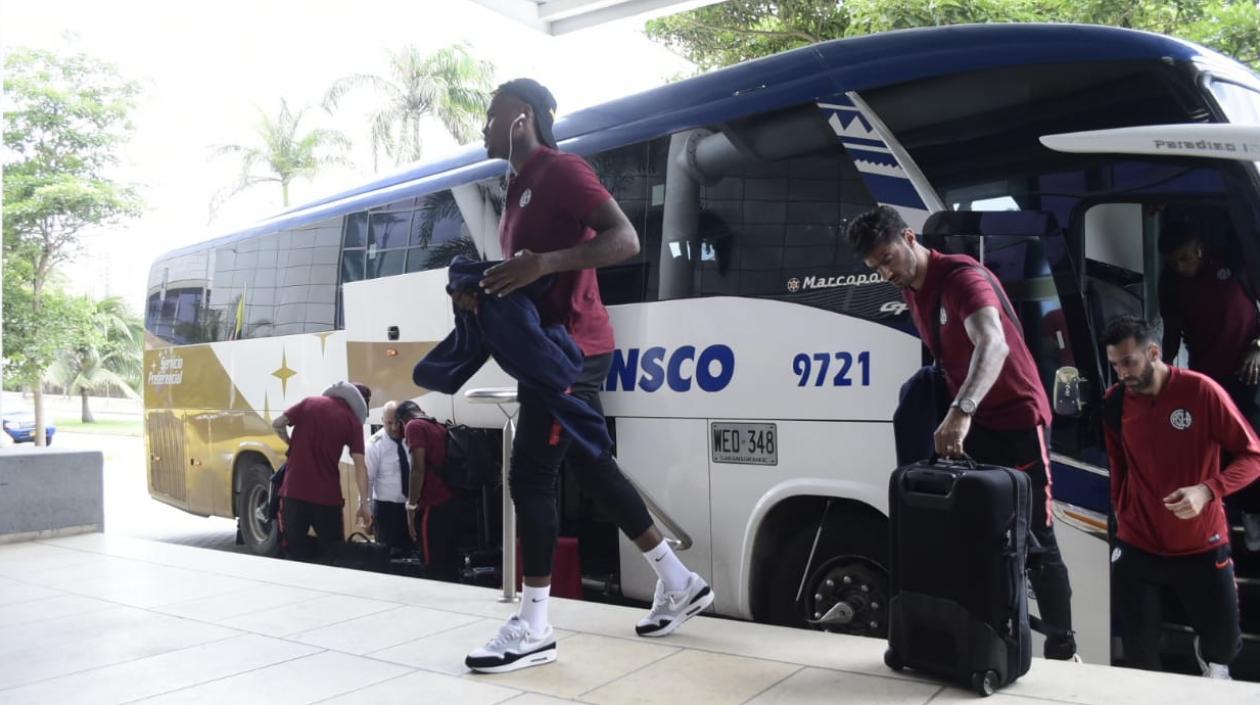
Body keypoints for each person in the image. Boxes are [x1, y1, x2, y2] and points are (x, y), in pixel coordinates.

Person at [459, 78, 711, 674]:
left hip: (571, 351)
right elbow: (532, 277)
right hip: (550, 350)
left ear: (521, 118)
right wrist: (490, 288)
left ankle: (535, 627)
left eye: (491, 116)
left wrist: (543, 263)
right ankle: (679, 580)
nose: (483, 128)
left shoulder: (561, 170)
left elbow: (623, 239)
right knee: (591, 465)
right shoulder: (517, 187)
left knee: (531, 473)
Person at [847, 205, 1079, 661]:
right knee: (978, 536)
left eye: (888, 257)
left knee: (1036, 539)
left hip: (1017, 421)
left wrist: (961, 409)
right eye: (875, 267)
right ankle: (995, 634)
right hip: (977, 427)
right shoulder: (911, 286)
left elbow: (992, 342)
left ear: (910, 238)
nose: (886, 272)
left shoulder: (960, 278)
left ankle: (1064, 649)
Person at [1101, 315, 1260, 679]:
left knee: (1224, 645)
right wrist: (1121, 516)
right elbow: (1118, 466)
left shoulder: (1201, 391)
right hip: (1138, 542)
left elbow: (1253, 456)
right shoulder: (1114, 402)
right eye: (1114, 365)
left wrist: (1208, 490)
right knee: (1139, 654)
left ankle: (1209, 658)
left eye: (1129, 362)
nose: (1122, 373)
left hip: (1200, 543)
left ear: (1154, 352)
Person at [1158, 217, 1260, 549]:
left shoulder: (1236, 264)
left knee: (1252, 444)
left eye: (1185, 258)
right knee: (1216, 448)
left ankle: (1254, 514)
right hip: (1208, 376)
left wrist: (1258, 348)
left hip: (1248, 370)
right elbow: (1171, 333)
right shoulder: (1171, 283)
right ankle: (1227, 515)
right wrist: (1165, 372)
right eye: (1174, 262)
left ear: (1200, 250)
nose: (1180, 266)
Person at [271, 381, 372, 562]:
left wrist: (290, 443)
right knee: (334, 553)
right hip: (327, 497)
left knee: (294, 550)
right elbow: (360, 466)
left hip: (293, 492)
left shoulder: (309, 403)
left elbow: (277, 423)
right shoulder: (352, 421)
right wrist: (364, 504)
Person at [392, 401, 461, 581]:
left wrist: (412, 506)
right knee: (448, 558)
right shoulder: (437, 425)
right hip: (450, 499)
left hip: (432, 502)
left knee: (431, 561)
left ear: (402, 421)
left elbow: (418, 468)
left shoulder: (414, 426)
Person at [364, 401, 416, 554]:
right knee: (389, 556)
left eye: (397, 422)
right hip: (387, 510)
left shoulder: (412, 437)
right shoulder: (374, 445)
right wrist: (367, 511)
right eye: (389, 423)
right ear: (382, 420)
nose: (394, 427)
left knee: (414, 553)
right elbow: (368, 479)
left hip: (411, 507)